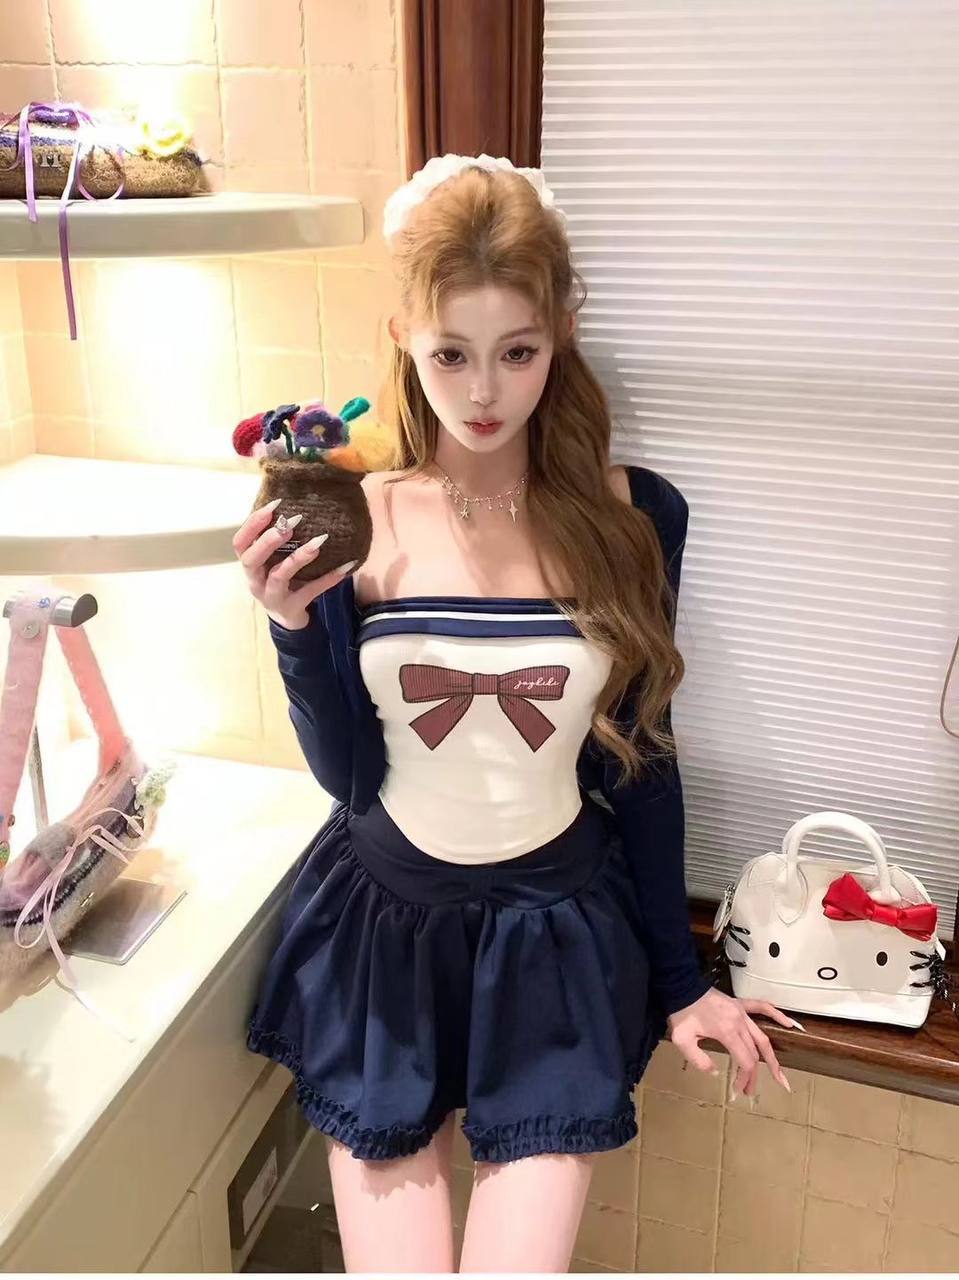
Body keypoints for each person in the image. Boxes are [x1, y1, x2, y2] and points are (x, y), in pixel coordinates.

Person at [232, 154, 794, 1274]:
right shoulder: (359, 514)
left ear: (562, 333)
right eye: (451, 354)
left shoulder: (635, 517)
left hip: (554, 935)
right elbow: (348, 774)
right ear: (402, 336)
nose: (483, 393)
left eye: (517, 352)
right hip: (385, 932)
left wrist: (682, 982)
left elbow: (643, 757)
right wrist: (293, 629)